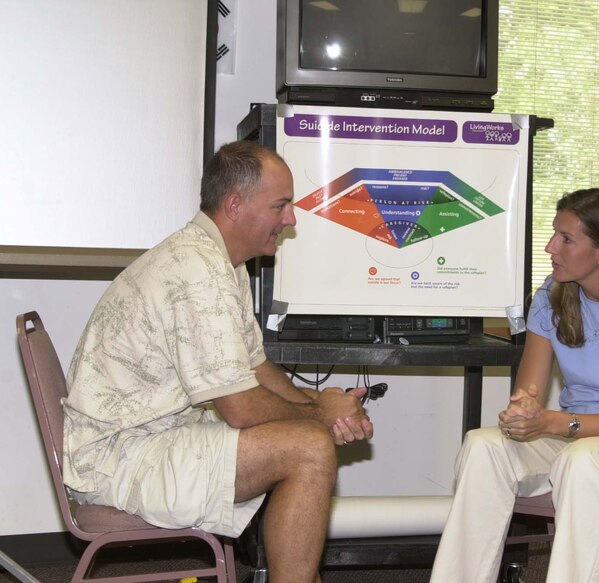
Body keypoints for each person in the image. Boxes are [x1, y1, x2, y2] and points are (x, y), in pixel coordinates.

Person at [63, 141, 373, 583]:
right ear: (234, 205)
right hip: (117, 459)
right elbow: (241, 408)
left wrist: (318, 402)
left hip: (149, 438)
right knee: (308, 448)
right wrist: (321, 416)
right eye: (280, 206)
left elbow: (255, 367)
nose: (290, 219)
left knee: (306, 436)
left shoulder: (222, 262)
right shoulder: (196, 272)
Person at [429, 188, 599, 583]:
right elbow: (529, 395)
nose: (549, 246)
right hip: (579, 445)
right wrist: (523, 414)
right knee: (483, 445)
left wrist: (555, 423)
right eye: (554, 234)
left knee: (586, 459)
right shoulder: (551, 295)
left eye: (566, 239)